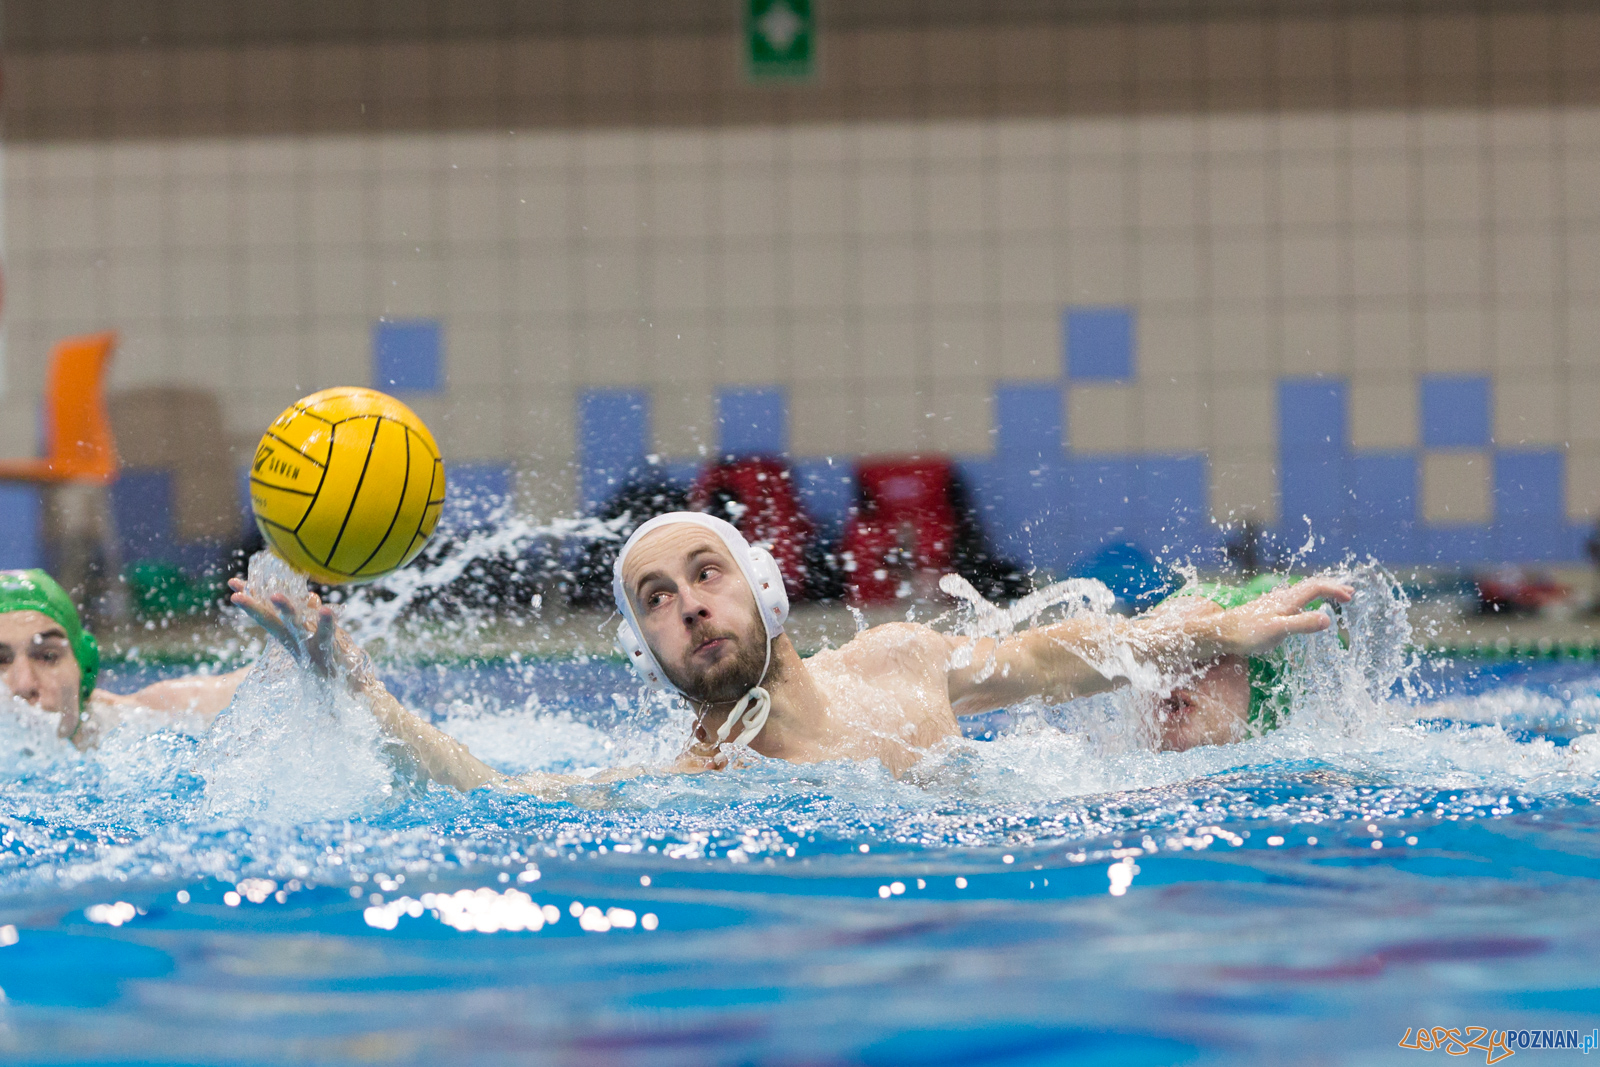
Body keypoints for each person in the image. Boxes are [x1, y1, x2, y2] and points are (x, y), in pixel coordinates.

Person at [231, 512, 1354, 794]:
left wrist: (1216, 630)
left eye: (705, 573)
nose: (688, 607)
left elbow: (1065, 653)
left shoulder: (903, 660)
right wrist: (356, 685)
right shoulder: (697, 785)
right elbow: (497, 787)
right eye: (655, 600)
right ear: (651, 650)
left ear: (763, 585)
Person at [0, 569, 247, 750]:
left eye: (48, 656)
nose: (24, 685)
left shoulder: (142, 724)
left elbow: (261, 689)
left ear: (85, 669)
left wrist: (285, 649)